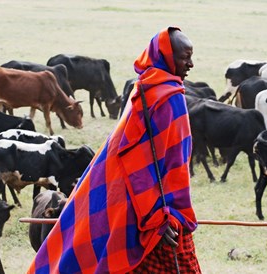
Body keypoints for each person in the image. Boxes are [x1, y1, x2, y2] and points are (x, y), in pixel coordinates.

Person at [27, 26, 201, 274]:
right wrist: (158, 220)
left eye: (191, 56)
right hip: (160, 216)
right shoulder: (168, 97)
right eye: (185, 57)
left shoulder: (143, 90)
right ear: (167, 57)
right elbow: (164, 166)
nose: (191, 64)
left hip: (126, 207)